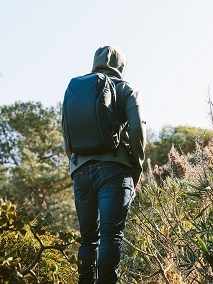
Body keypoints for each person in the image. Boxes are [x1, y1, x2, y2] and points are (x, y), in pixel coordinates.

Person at [63, 45, 147, 284]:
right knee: (111, 237)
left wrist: (76, 165)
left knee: (88, 239)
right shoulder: (126, 89)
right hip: (115, 170)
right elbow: (137, 130)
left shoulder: (75, 88)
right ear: (121, 66)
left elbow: (65, 134)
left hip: (80, 172)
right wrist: (136, 169)